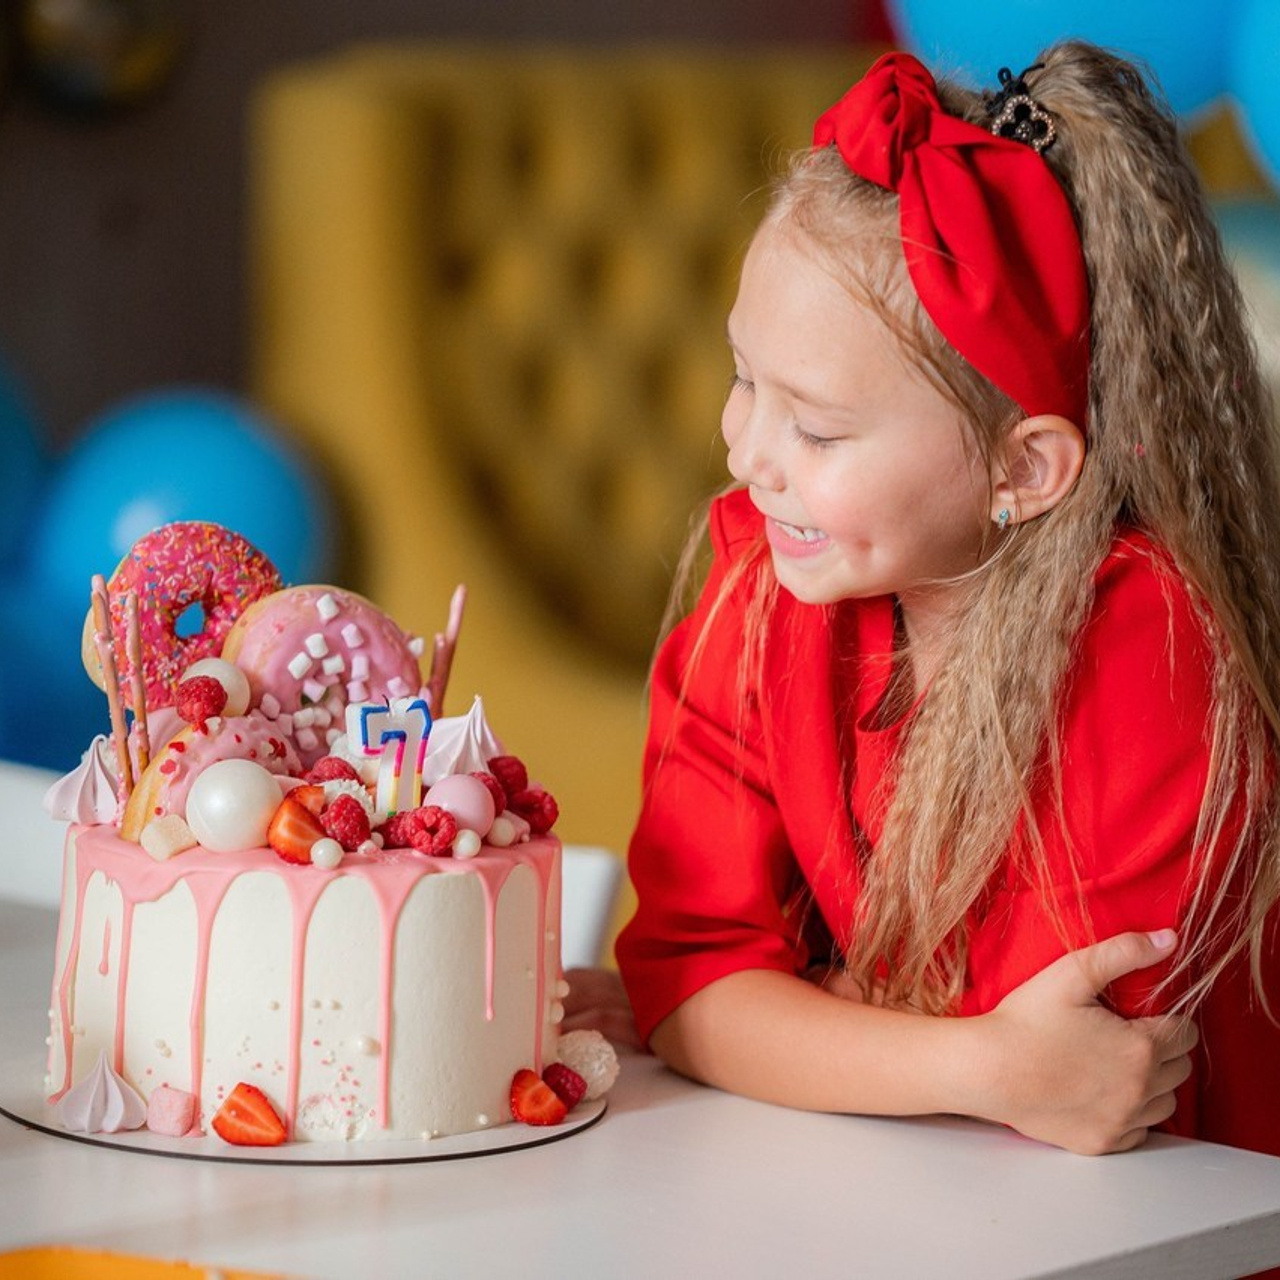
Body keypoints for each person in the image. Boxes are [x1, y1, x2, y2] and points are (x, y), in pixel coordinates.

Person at [601, 42, 1280, 1157]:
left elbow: (1073, 1072)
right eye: (741, 377)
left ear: (1021, 470)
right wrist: (962, 1057)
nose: (744, 455)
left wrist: (795, 1005)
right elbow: (691, 987)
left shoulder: (1146, 635)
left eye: (815, 429)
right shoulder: (757, 582)